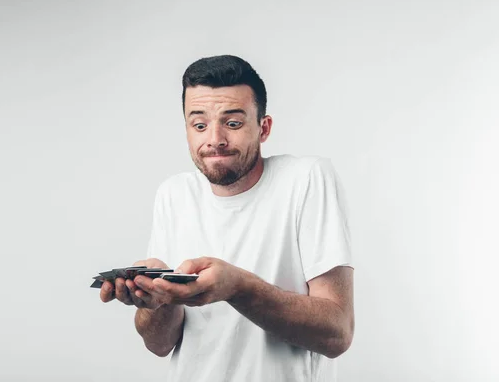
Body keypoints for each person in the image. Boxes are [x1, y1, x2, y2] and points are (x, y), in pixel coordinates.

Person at [99, 55, 354, 382]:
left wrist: (239, 288)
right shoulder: (173, 194)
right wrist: (156, 300)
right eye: (200, 125)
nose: (214, 139)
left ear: (264, 128)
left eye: (232, 123)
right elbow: (160, 344)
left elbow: (337, 333)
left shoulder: (307, 179)